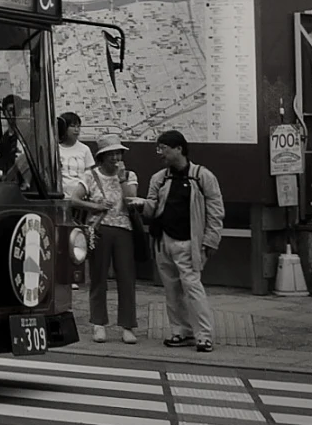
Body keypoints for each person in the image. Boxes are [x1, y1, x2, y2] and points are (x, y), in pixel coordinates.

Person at [140, 130, 224, 353]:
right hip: (163, 240)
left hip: (190, 241)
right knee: (171, 289)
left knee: (192, 287)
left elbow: (216, 211)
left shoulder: (202, 176)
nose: (160, 153)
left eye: (163, 148)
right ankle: (180, 331)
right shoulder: (159, 178)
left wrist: (211, 240)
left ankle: (204, 335)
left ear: (179, 148)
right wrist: (137, 202)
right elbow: (151, 208)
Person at [65, 136, 140, 344]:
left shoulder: (129, 175)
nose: (116, 158)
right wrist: (95, 206)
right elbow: (74, 199)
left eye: (119, 153)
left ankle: (127, 326)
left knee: (126, 277)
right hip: (98, 229)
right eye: (112, 154)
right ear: (102, 157)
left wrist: (123, 179)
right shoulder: (90, 176)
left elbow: (132, 199)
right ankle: (98, 323)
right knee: (98, 277)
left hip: (123, 228)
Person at [55, 112, 94, 192]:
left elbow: (89, 173)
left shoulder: (85, 149)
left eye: (78, 126)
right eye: (72, 126)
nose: (76, 130)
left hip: (80, 195)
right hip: (61, 193)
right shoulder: (55, 149)